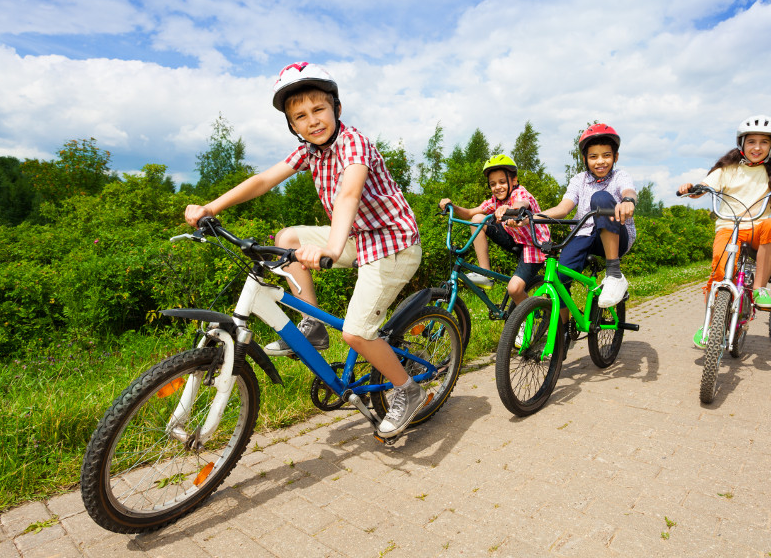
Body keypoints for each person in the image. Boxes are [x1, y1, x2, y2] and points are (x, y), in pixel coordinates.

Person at [184, 62, 426, 437]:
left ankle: (408, 391)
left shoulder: (353, 143)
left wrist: (330, 246)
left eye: (319, 110)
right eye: (300, 116)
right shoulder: (309, 152)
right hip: (358, 237)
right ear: (292, 125)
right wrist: (210, 208)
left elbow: (349, 193)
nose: (312, 121)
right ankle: (312, 325)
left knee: (357, 333)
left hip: (393, 243)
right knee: (287, 239)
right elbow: (264, 179)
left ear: (337, 110)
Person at [677, 115, 771, 346]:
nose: (757, 147)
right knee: (718, 275)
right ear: (742, 143)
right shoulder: (727, 167)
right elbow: (705, 186)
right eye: (751, 141)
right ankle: (710, 323)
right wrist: (692, 188)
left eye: (764, 142)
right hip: (729, 226)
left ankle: (759, 290)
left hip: (759, 225)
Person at [539, 123, 637, 309]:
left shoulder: (620, 176)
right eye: (593, 156)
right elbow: (563, 208)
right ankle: (563, 331)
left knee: (600, 198)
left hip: (616, 235)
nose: (600, 161)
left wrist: (627, 201)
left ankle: (614, 274)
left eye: (606, 155)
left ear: (615, 157)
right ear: (585, 159)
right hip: (584, 236)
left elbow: (630, 191)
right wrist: (533, 216)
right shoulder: (579, 180)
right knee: (559, 278)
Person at [438, 154, 549, 305]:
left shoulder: (519, 192)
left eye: (502, 182)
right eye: (493, 184)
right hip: (515, 239)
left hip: (534, 244)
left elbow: (521, 204)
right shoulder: (495, 201)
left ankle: (529, 318)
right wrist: (452, 206)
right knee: (477, 219)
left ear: (514, 180)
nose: (497, 187)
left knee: (515, 289)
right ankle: (485, 274)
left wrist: (509, 208)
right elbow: (470, 213)